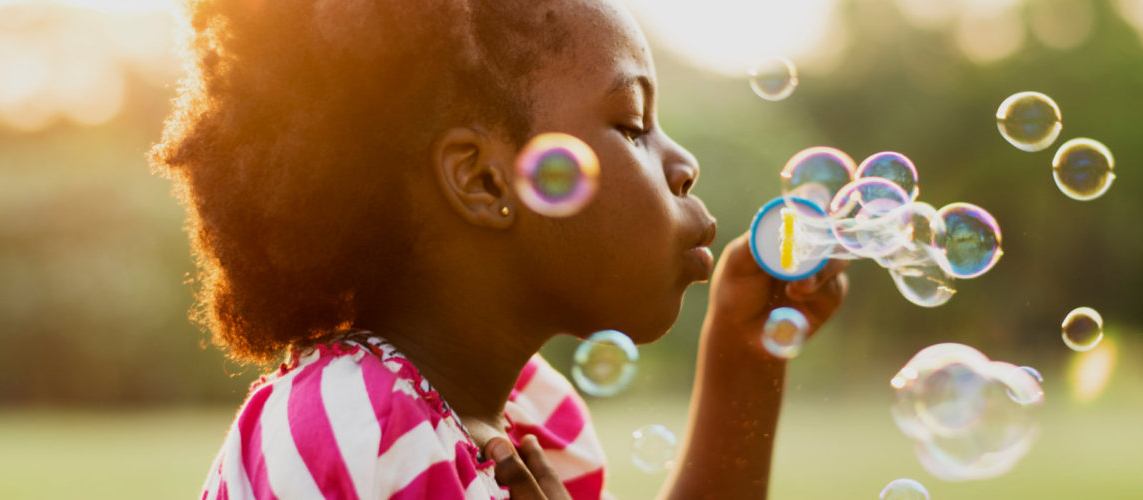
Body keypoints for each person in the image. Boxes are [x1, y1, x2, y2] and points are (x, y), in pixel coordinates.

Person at [150, 0, 849, 498]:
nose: (683, 162)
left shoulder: (537, 416)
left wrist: (745, 357)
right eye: (632, 124)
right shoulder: (351, 429)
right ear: (485, 181)